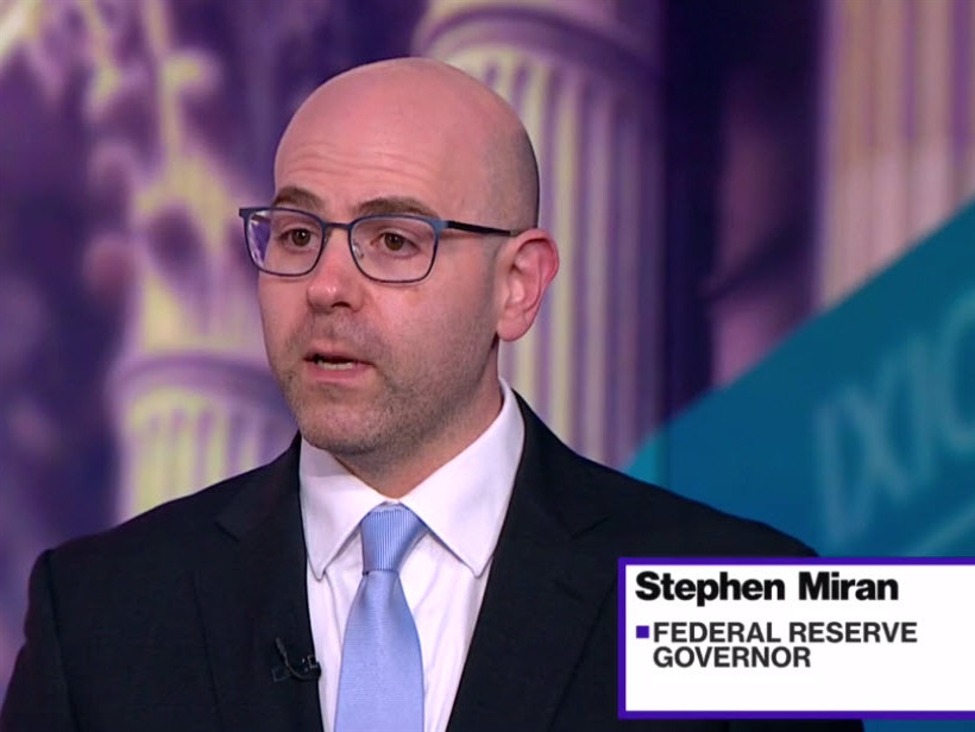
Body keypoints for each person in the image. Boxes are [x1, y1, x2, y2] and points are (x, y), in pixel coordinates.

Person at [1, 58, 861, 732]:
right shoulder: (98, 613)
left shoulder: (749, 596)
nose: (325, 285)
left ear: (517, 286)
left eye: (392, 240)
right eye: (297, 234)